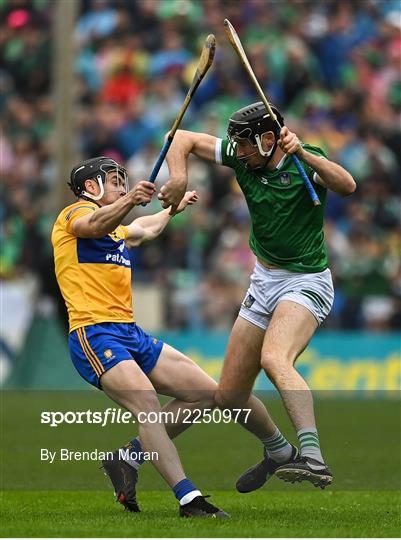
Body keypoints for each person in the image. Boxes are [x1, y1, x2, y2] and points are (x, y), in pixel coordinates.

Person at [158, 102, 356, 491]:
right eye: (236, 144)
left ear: (269, 140)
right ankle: (279, 452)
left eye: (246, 144)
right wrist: (178, 177)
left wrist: (301, 153)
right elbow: (179, 137)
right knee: (229, 395)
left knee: (274, 358)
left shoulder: (306, 162)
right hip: (263, 282)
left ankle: (314, 458)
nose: (238, 152)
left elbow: (347, 185)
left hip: (306, 281)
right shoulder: (244, 157)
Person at [51, 156, 229, 518]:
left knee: (206, 394)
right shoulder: (73, 215)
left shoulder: (116, 229)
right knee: (146, 403)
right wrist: (130, 199)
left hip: (130, 332)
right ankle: (189, 499)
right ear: (91, 187)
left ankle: (127, 457)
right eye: (114, 180)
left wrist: (172, 211)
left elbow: (145, 228)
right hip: (94, 332)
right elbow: (93, 225)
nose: (121, 184)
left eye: (122, 181)